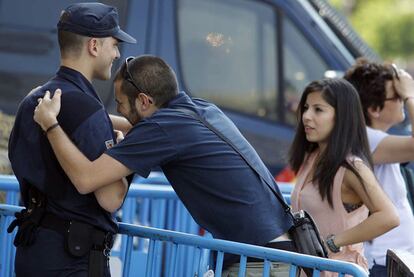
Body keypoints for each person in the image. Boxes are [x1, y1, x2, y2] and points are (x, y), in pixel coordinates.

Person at [33, 54, 296, 276]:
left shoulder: (163, 129)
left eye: (121, 103)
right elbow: (135, 125)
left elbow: (86, 179)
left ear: (145, 101)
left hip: (260, 263)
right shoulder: (199, 110)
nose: (120, 110)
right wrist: (81, 111)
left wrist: (51, 125)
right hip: (278, 252)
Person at [8, 3, 136, 276]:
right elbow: (111, 198)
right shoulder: (87, 109)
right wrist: (122, 152)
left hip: (32, 250)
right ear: (94, 46)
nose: (116, 53)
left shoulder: (33, 101)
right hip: (73, 260)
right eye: (114, 44)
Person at [289, 78, 399, 276]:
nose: (306, 116)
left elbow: (389, 216)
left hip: (339, 271)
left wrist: (333, 242)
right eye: (306, 107)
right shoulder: (311, 157)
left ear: (341, 116)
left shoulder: (351, 167)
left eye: (318, 109)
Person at [344, 58, 414, 277]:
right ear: (374, 108)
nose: (402, 101)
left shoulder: (373, 139)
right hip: (384, 264)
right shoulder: (365, 139)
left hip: (394, 261)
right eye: (398, 96)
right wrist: (410, 94)